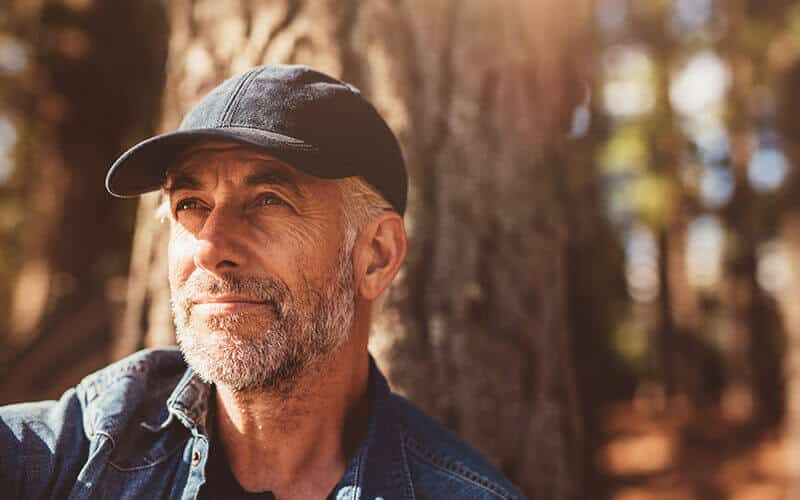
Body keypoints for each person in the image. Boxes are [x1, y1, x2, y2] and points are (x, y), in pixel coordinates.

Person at [0, 64, 526, 500]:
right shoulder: (86, 447)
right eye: (191, 204)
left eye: (269, 200)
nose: (211, 247)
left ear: (376, 256)